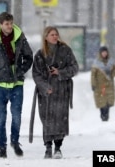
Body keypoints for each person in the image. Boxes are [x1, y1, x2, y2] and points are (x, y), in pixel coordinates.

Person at [0, 12, 33, 158]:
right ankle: (2, 147)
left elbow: (29, 57)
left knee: (16, 116)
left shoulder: (20, 38)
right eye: (6, 24)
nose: (9, 26)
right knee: (1, 118)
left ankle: (15, 142)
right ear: (0, 25)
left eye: (11, 23)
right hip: (0, 86)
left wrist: (21, 70)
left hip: (17, 84)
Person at [31, 26, 79, 159]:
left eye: (56, 34)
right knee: (46, 119)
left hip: (62, 90)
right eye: (52, 34)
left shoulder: (66, 50)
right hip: (46, 93)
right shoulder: (40, 54)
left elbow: (75, 67)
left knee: (60, 119)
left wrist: (60, 72)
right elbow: (36, 74)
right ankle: (48, 147)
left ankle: (58, 147)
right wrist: (45, 87)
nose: (55, 37)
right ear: (46, 37)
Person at [91, 46, 115, 121]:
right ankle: (103, 115)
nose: (104, 53)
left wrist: (112, 70)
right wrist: (93, 84)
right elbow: (93, 75)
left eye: (105, 52)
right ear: (100, 53)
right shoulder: (96, 63)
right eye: (103, 52)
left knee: (108, 101)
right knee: (102, 101)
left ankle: (106, 116)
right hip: (100, 86)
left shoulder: (111, 62)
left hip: (109, 85)